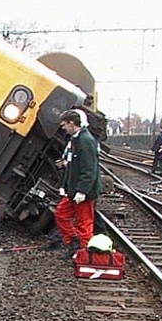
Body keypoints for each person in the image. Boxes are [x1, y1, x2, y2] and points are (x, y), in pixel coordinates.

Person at [52, 108, 102, 259]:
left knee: (84, 223)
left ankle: (84, 255)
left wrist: (82, 191)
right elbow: (73, 165)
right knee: (61, 213)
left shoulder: (85, 141)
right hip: (74, 190)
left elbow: (89, 169)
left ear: (72, 123)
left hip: (82, 192)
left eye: (64, 125)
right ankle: (74, 244)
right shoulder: (76, 139)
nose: (63, 128)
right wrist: (65, 186)